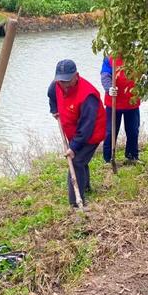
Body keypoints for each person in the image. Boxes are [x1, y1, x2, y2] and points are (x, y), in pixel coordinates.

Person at [48, 59, 106, 207]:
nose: (64, 85)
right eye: (61, 81)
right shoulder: (57, 85)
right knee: (82, 159)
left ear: (76, 76)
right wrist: (54, 109)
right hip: (74, 130)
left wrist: (73, 148)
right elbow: (51, 92)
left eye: (67, 81)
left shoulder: (88, 96)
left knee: (77, 161)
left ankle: (75, 202)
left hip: (92, 132)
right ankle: (86, 186)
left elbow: (86, 127)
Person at [100, 56, 140, 163]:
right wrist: (109, 88)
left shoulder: (137, 55)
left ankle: (132, 157)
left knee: (133, 131)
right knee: (110, 132)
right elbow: (105, 75)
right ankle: (108, 159)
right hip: (113, 103)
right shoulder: (109, 58)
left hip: (132, 102)